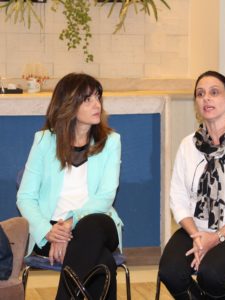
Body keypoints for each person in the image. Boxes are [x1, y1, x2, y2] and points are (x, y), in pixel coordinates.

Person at [158, 70, 225, 299]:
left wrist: (216, 238)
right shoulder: (188, 145)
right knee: (170, 271)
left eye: (214, 92)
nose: (206, 98)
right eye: (200, 94)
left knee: (211, 273)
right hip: (196, 229)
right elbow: (177, 198)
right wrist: (197, 235)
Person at [17, 73, 123, 300]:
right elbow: (25, 197)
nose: (97, 104)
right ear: (68, 104)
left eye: (98, 97)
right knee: (103, 262)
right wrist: (49, 231)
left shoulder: (111, 142)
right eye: (88, 99)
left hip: (98, 223)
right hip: (51, 232)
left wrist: (70, 222)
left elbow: (105, 197)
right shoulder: (44, 141)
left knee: (91, 225)